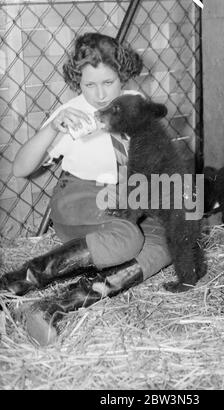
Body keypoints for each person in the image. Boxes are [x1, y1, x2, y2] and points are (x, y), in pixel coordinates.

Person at [1, 33, 172, 345]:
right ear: (77, 82)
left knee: (165, 244)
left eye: (108, 82)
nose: (99, 94)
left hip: (124, 199)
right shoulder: (73, 114)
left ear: (123, 75)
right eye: (88, 85)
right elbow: (21, 169)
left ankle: (52, 308)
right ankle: (13, 284)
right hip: (80, 198)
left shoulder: (135, 104)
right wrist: (52, 127)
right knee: (128, 238)